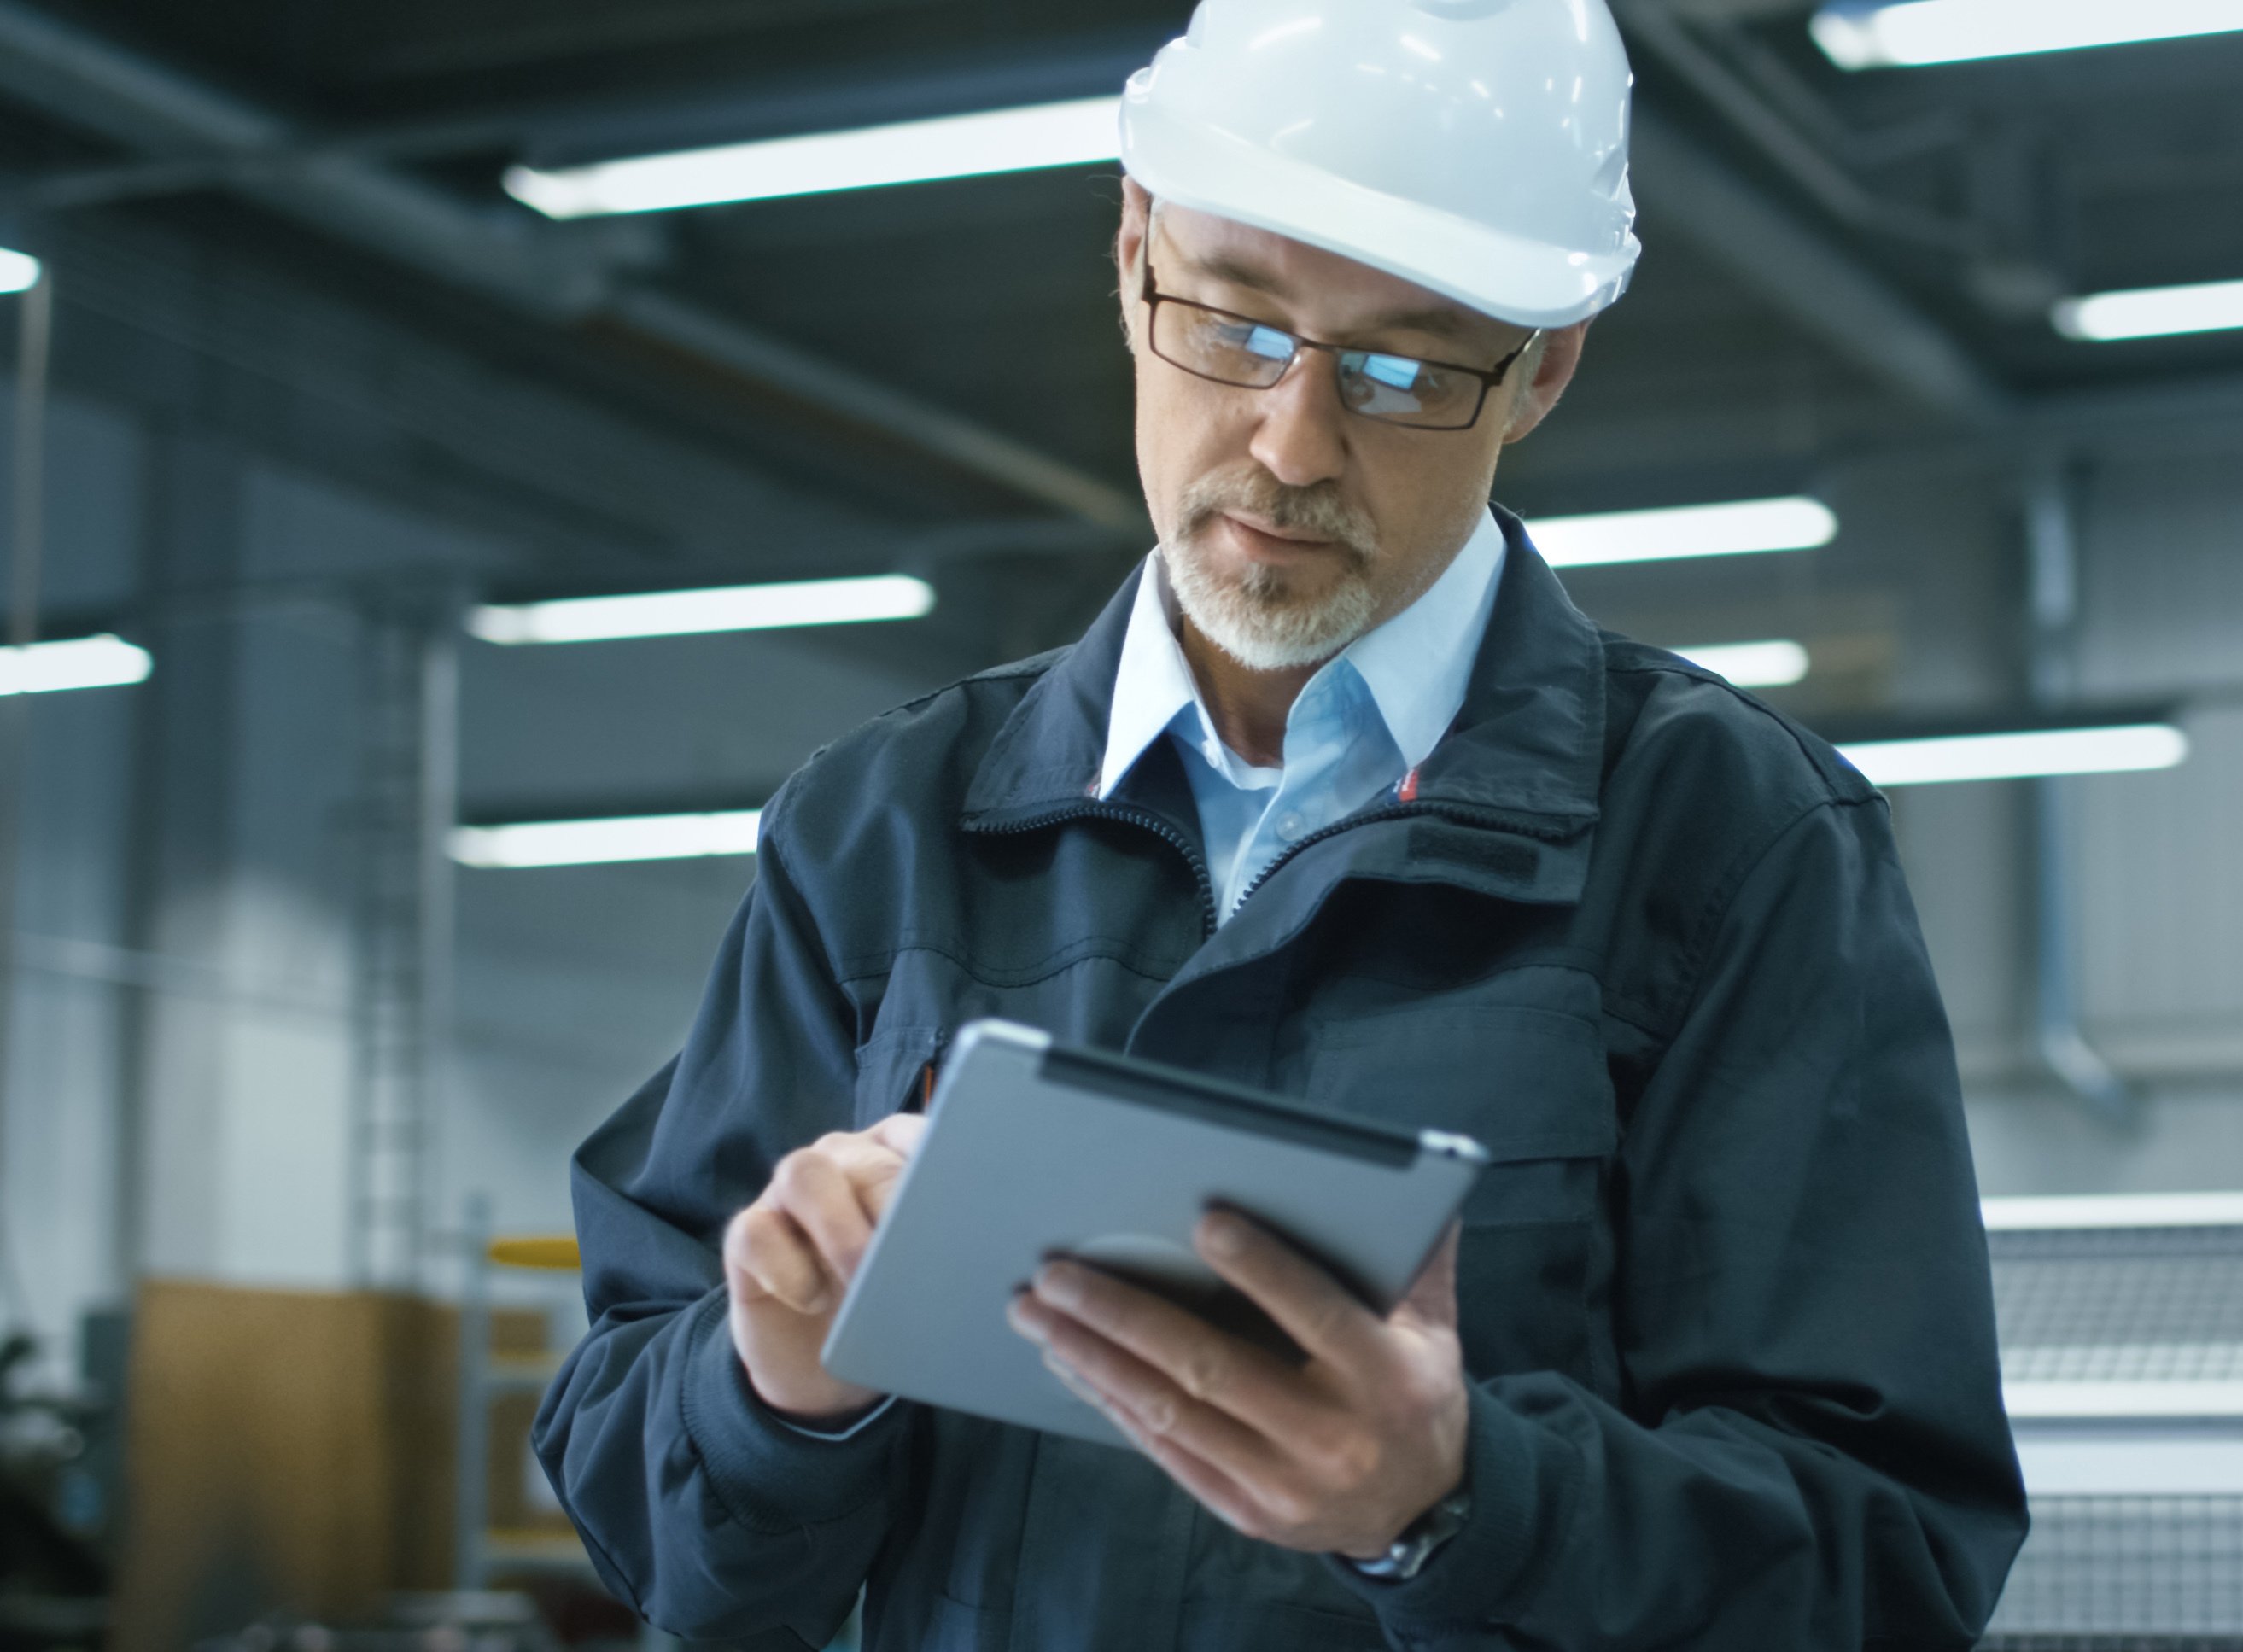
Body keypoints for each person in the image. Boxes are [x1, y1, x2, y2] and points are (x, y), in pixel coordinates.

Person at [533, 1, 2026, 1645]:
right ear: (1130, 254)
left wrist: (1459, 1501)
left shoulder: (1733, 845)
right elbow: (667, 1552)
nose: (1292, 443)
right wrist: (781, 1390)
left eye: (1404, 368)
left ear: (1542, 370)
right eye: (1236, 327)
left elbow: (1886, 1573)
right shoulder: (883, 832)